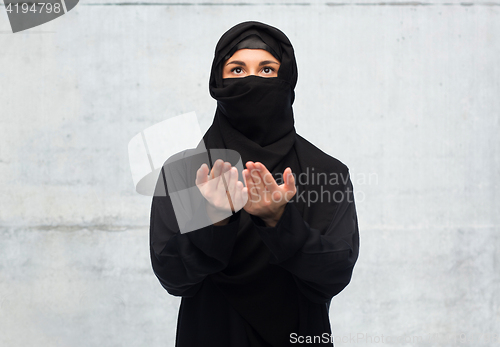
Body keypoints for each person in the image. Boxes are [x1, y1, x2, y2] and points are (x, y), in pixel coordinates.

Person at [149, 21, 360, 346]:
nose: (251, 80)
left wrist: (280, 222)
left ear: (287, 79)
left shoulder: (325, 171)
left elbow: (333, 275)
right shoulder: (187, 171)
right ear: (217, 82)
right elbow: (174, 279)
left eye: (266, 69)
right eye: (237, 69)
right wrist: (214, 220)